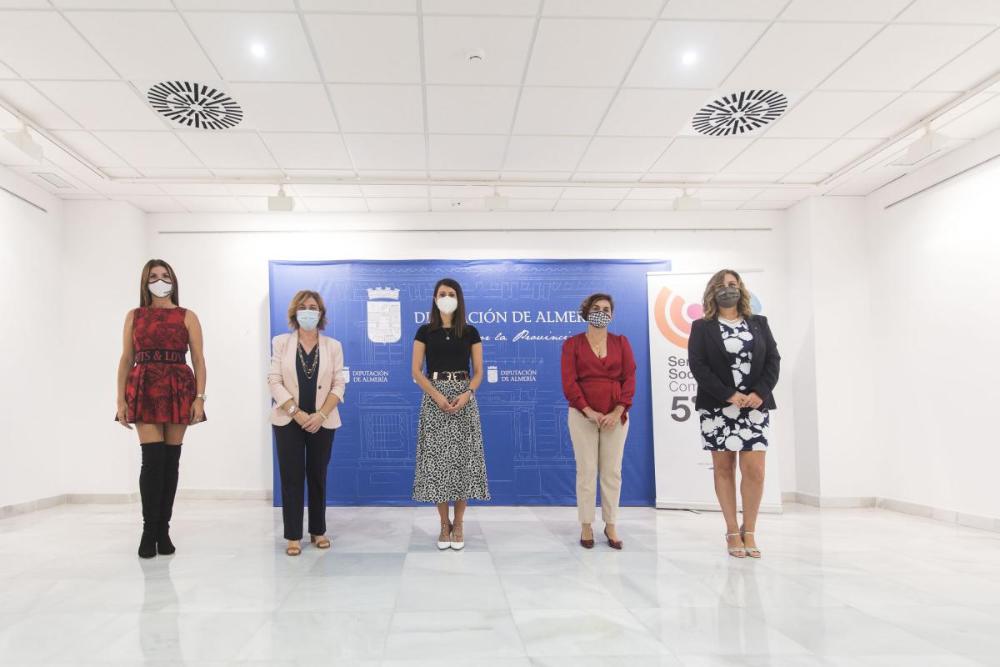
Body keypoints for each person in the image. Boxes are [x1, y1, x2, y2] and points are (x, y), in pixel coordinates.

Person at [116, 259, 206, 559]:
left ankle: (163, 529)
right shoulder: (134, 316)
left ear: (174, 281)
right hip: (145, 387)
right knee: (151, 461)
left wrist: (200, 398)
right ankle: (148, 530)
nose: (160, 281)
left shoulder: (187, 316)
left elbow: (199, 360)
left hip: (178, 387)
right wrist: (120, 400)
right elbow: (126, 359)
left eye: (165, 276)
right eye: (153, 276)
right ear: (145, 282)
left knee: (171, 462)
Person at [687, 269, 780, 559]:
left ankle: (749, 529)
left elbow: (773, 360)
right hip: (718, 407)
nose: (729, 289)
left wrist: (758, 393)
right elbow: (698, 366)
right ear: (713, 291)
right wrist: (729, 394)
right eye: (723, 285)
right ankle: (730, 530)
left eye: (734, 284)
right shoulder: (702, 327)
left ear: (741, 289)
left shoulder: (759, 323)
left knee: (755, 471)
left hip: (754, 407)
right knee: (724, 469)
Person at [411, 278, 489, 550]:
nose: (446, 297)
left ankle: (460, 523)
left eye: (451, 293)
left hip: (464, 398)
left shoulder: (470, 332)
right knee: (438, 465)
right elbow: (415, 371)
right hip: (435, 399)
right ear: (434, 299)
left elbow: (478, 371)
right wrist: (437, 396)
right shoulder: (424, 332)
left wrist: (467, 394)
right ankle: (444, 524)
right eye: (442, 293)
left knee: (463, 464)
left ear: (459, 298)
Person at [267, 290, 346, 556]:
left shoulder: (333, 346)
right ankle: (292, 535)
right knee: (291, 477)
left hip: (322, 420)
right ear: (294, 312)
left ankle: (318, 530)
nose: (308, 311)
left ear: (321, 313)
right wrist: (296, 412)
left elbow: (338, 383)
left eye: (313, 307)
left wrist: (320, 414)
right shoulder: (281, 343)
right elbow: (274, 380)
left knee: (317, 475)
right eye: (303, 307)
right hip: (288, 419)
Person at [561, 293, 636, 550]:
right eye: (596, 308)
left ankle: (611, 523)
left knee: (612, 471)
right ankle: (585, 524)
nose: (601, 312)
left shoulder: (621, 342)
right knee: (587, 470)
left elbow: (630, 378)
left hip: (616, 416)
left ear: (612, 315)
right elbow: (569, 382)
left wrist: (618, 411)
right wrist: (588, 411)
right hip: (583, 416)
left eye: (606, 309)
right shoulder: (572, 344)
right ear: (586, 311)